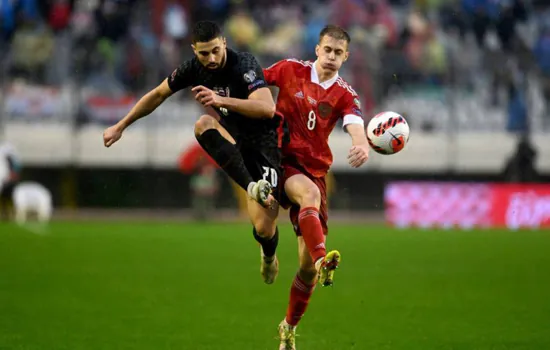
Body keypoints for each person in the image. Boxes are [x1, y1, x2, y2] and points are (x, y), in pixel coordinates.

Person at [103, 21, 282, 284]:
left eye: (215, 51)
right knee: (202, 125)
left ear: (224, 43)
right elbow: (157, 94)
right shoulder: (193, 69)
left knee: (264, 228)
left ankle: (268, 257)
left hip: (264, 147)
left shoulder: (244, 64)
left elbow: (267, 108)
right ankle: (252, 186)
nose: (210, 59)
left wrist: (221, 100)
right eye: (203, 53)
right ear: (193, 50)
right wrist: (121, 126)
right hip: (233, 140)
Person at [263, 25, 370, 349]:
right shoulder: (290, 70)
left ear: (346, 56)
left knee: (306, 270)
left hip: (315, 172)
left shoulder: (345, 93)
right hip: (281, 163)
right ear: (317, 49)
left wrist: (362, 143)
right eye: (328, 50)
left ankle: (289, 328)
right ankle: (323, 258)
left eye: (339, 53)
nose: (332, 57)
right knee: (303, 200)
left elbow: (354, 122)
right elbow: (254, 82)